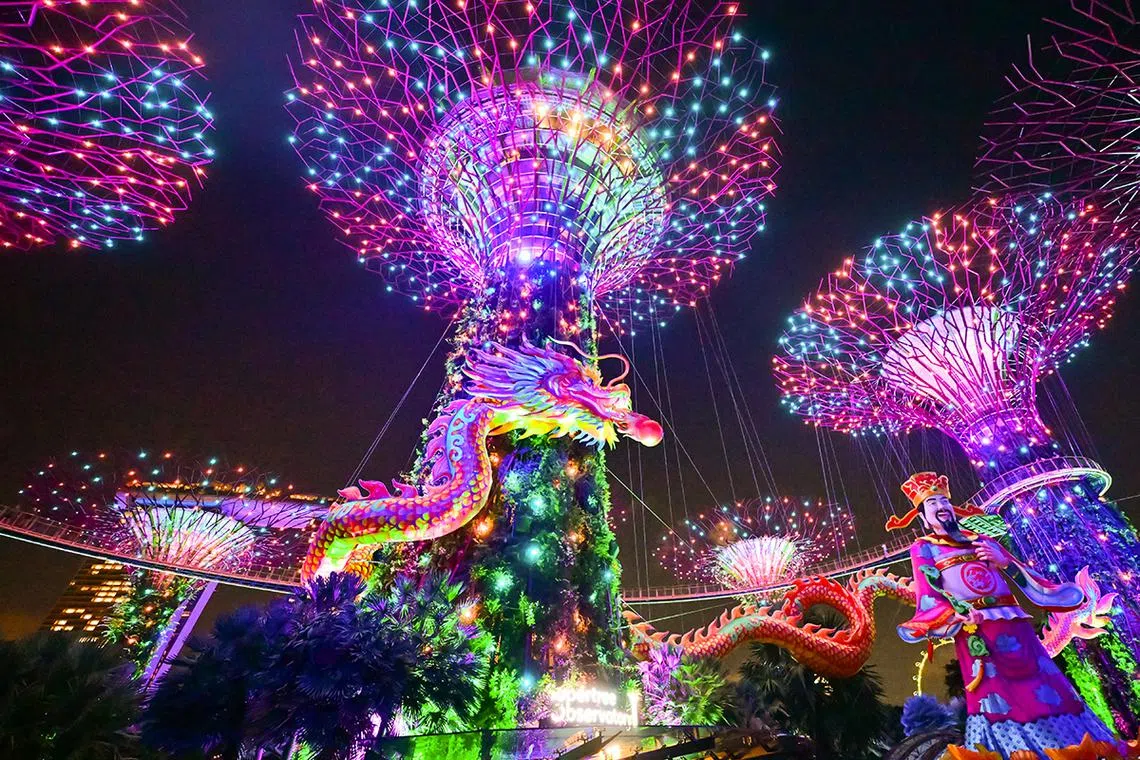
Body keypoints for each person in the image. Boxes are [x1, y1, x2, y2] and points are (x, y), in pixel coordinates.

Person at [889, 472, 1132, 760]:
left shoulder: (981, 540)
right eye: (932, 503)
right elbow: (929, 595)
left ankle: (1079, 745)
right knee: (996, 693)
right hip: (977, 631)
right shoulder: (924, 547)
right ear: (923, 516)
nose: (941, 507)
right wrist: (956, 616)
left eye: (944, 500)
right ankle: (1014, 751)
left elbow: (1020, 575)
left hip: (1015, 625)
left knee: (1048, 682)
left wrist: (1003, 560)